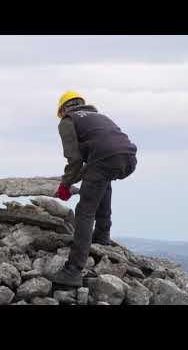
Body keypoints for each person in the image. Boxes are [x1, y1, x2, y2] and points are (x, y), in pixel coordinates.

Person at [52, 91, 137, 287]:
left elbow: (74, 159)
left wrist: (65, 185)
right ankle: (102, 237)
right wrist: (71, 179)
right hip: (128, 159)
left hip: (104, 159)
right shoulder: (100, 116)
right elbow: (93, 160)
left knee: (84, 211)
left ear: (63, 109)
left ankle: (73, 271)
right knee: (102, 180)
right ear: (82, 104)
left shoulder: (67, 121)